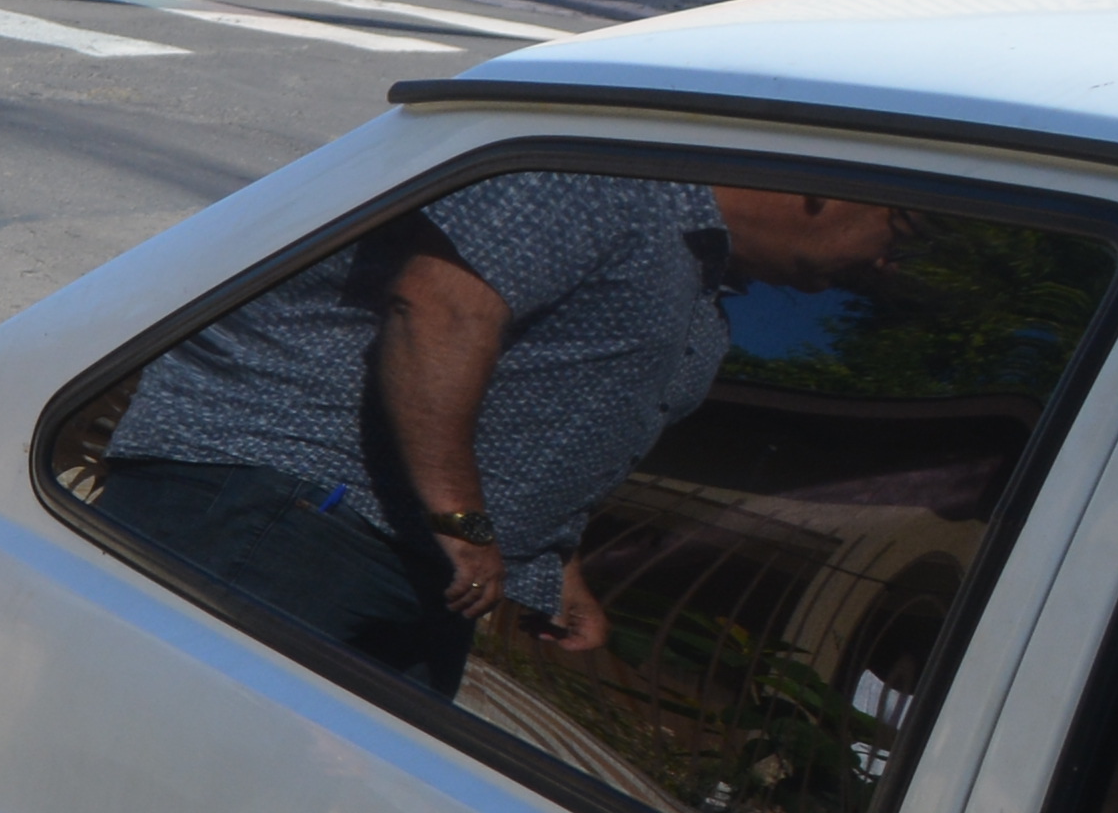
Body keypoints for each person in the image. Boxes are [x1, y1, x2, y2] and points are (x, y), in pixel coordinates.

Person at [94, 173, 901, 682]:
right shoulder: (614, 178)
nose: (892, 264)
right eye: (906, 227)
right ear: (820, 188)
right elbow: (439, 309)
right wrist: (462, 517)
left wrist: (550, 555)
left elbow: (543, 404)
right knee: (154, 793)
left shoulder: (703, 279)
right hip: (285, 511)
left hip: (412, 560)